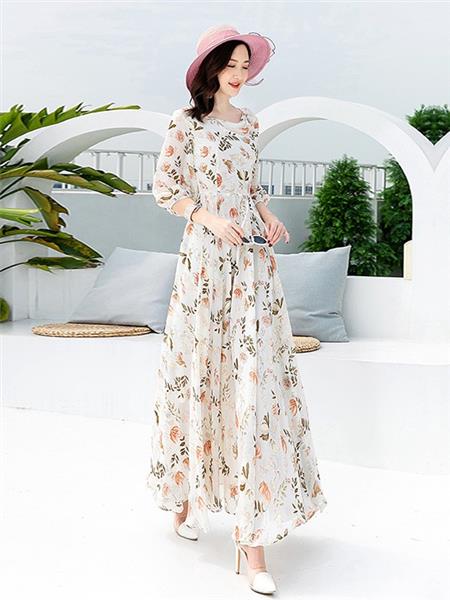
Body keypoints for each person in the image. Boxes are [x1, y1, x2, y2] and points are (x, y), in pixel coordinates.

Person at [146, 24, 328, 595]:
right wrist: (208, 218)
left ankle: (252, 543)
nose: (240, 74)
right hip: (205, 262)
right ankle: (185, 499)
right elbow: (165, 188)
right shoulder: (185, 123)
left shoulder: (249, 123)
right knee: (200, 371)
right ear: (211, 67)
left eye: (246, 65)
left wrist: (268, 216)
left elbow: (249, 188)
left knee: (253, 380)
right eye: (232, 64)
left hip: (251, 261)